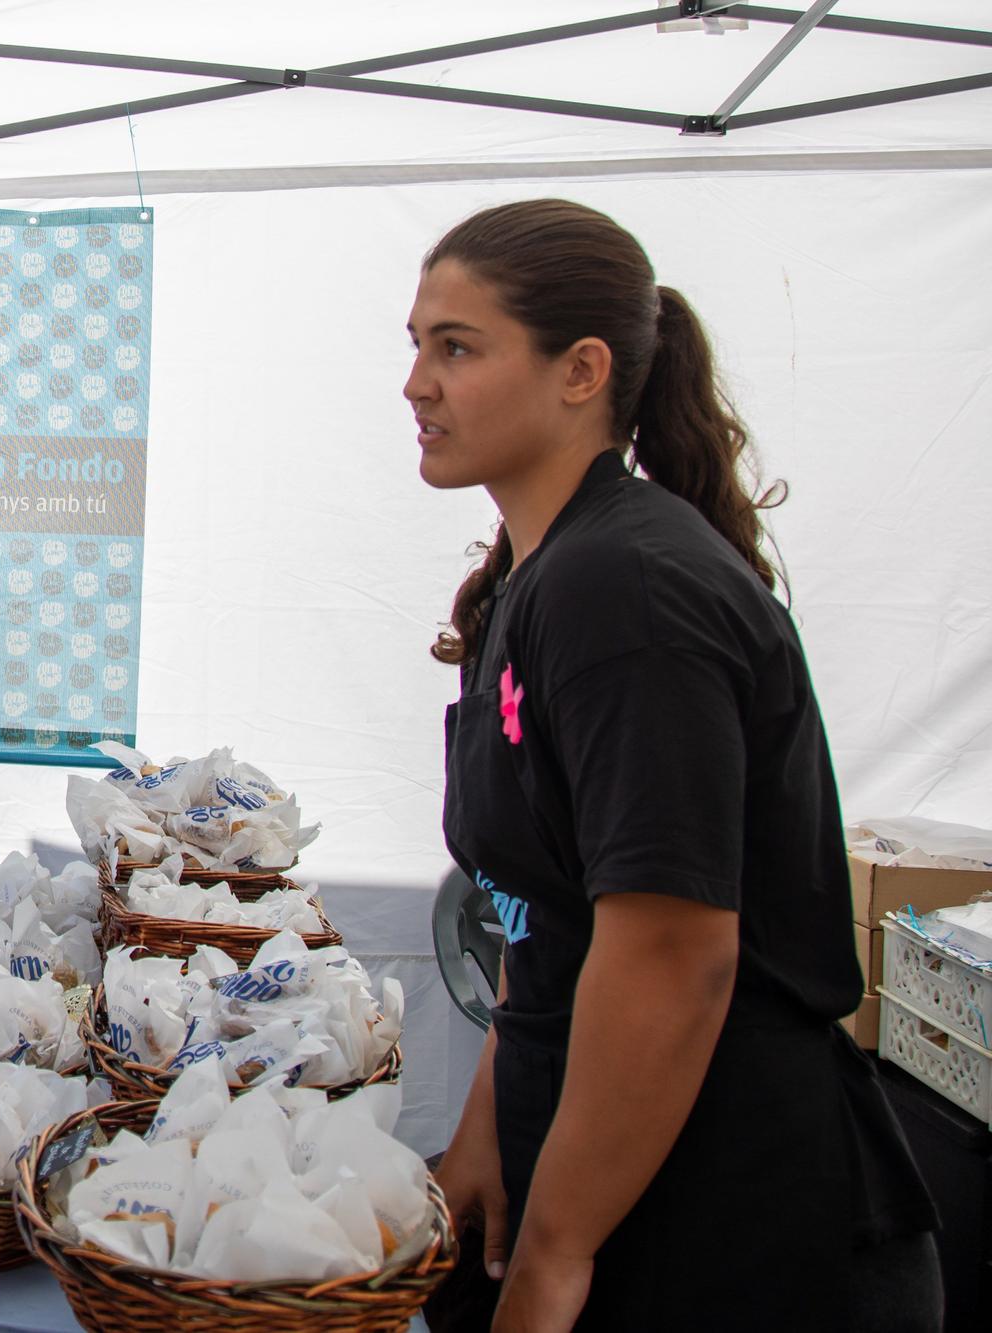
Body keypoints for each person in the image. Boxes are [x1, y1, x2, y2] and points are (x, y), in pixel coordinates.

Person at [410, 200, 938, 1333]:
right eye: (416, 346)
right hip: (602, 1173)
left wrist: (555, 1251)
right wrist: (484, 1140)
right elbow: (548, 914)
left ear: (579, 371)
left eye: (454, 347)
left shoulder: (625, 589)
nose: (416, 383)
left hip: (721, 1216)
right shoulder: (536, 575)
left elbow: (670, 950)